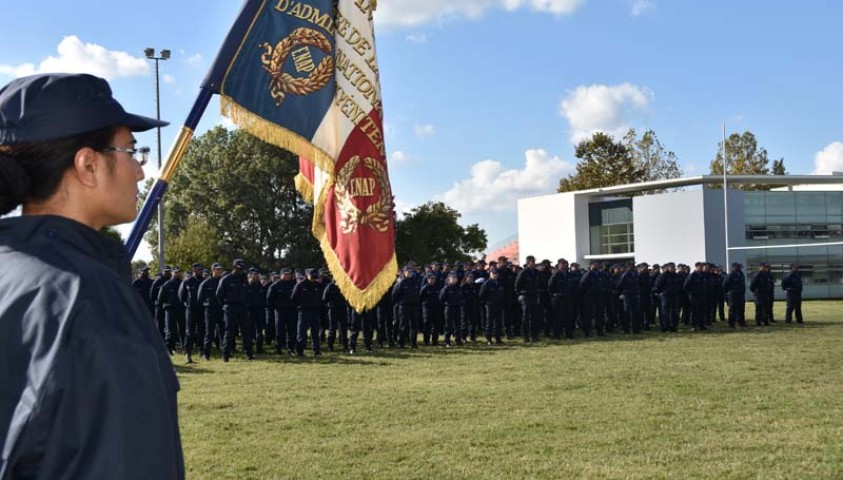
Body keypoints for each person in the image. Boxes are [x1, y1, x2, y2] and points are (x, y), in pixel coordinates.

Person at [0, 73, 183, 478]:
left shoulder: (12, 271)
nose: (139, 171)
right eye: (131, 151)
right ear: (87, 165)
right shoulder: (87, 297)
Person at [217, 259, 251, 361]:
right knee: (229, 331)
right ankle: (225, 355)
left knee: (246, 330)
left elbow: (248, 292)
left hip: (242, 306)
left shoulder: (244, 278)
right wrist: (225, 305)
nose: (240, 270)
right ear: (234, 267)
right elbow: (219, 295)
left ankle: (248, 353)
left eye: (242, 269)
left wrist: (246, 302)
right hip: (230, 307)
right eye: (238, 268)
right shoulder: (226, 279)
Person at [291, 269, 323, 356]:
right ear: (307, 275)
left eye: (315, 277)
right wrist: (300, 306)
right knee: (301, 332)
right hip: (304, 312)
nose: (313, 279)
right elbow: (293, 298)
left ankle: (316, 350)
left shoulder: (317, 285)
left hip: (315, 311)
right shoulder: (300, 285)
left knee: (315, 331)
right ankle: (300, 351)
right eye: (312, 277)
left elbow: (320, 297)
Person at [198, 263, 225, 360]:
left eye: (220, 269)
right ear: (213, 270)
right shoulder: (206, 283)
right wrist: (206, 305)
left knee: (223, 332)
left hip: (221, 310)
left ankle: (224, 353)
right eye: (217, 269)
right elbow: (200, 298)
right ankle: (206, 354)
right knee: (209, 332)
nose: (219, 271)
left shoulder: (223, 281)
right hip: (210, 310)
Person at [723, 262, 747, 328]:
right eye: (738, 266)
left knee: (741, 308)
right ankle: (731, 323)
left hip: (740, 293)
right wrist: (729, 292)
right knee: (733, 309)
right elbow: (725, 285)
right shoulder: (731, 274)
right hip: (733, 294)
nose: (739, 268)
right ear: (734, 267)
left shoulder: (741, 274)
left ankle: (741, 322)